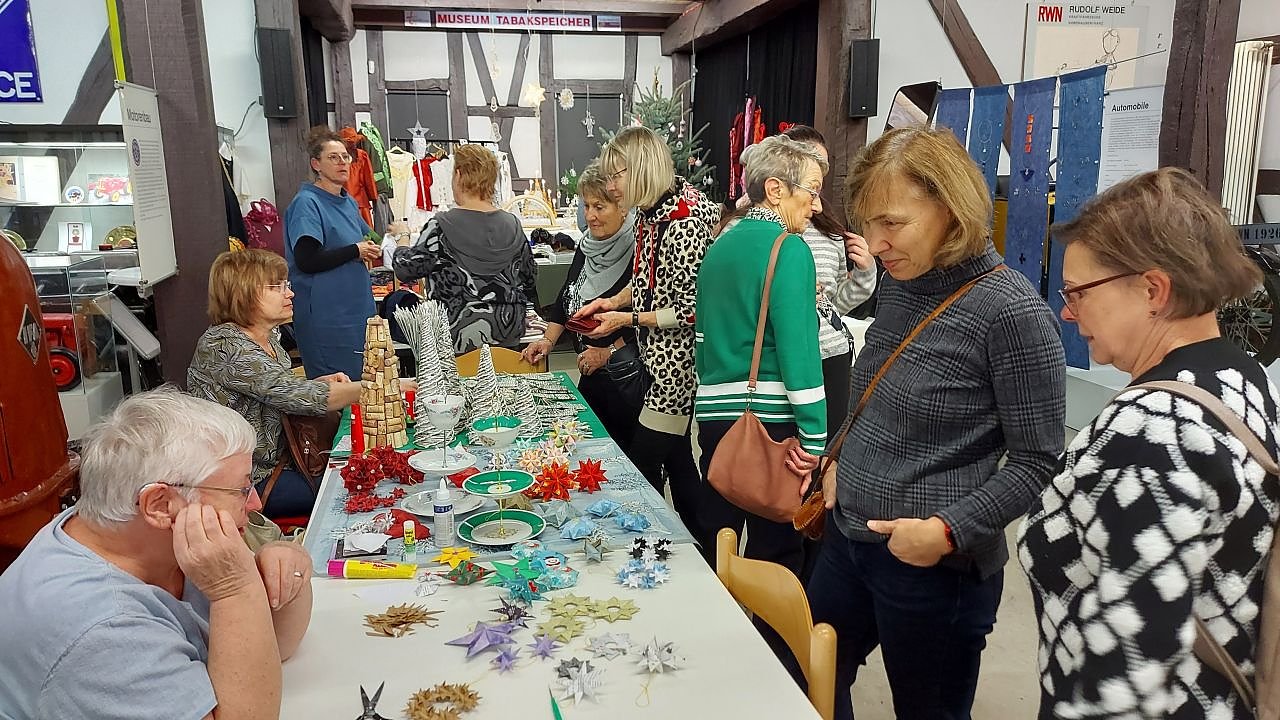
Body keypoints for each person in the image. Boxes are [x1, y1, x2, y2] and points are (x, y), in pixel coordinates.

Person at [806, 126, 1066, 720]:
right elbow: (878, 390)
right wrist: (839, 458)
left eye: (892, 224)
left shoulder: (1011, 313)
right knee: (807, 674)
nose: (875, 243)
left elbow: (1037, 461)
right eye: (868, 224)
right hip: (849, 540)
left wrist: (947, 531)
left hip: (932, 567)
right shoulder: (903, 283)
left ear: (951, 210)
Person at [1017, 168, 1280, 719]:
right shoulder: (1242, 376)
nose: (1067, 310)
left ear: (1153, 290)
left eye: (1078, 292)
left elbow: (1127, 676)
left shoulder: (1154, 430)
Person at [0, 388, 314, 719]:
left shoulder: (145, 538)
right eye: (240, 489)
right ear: (160, 505)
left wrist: (285, 569)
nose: (255, 503)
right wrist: (237, 590)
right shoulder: (104, 630)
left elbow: (276, 645)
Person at [574, 126, 721, 542]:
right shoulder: (651, 212)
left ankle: (658, 545)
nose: (610, 186)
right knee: (678, 464)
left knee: (642, 466)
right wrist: (612, 302)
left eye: (616, 175)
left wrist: (628, 320)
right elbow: (646, 281)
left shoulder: (684, 221)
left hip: (676, 372)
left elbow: (693, 310)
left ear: (640, 168)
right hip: (653, 363)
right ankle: (702, 553)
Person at [694, 134, 827, 572]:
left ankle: (717, 615)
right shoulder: (789, 249)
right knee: (777, 554)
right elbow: (799, 352)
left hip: (715, 419)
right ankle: (765, 622)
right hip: (770, 423)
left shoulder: (719, 247)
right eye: (811, 191)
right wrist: (814, 439)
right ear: (775, 189)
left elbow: (701, 341)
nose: (816, 205)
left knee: (719, 540)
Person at [189, 249, 363, 518]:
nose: (290, 293)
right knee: (353, 487)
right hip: (247, 480)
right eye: (276, 287)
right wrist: (378, 388)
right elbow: (296, 395)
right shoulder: (225, 346)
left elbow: (278, 389)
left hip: (285, 461)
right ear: (243, 292)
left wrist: (317, 383)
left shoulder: (267, 338)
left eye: (286, 285)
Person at [522, 163, 640, 449]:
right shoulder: (588, 246)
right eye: (586, 206)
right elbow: (568, 295)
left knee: (629, 460)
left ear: (623, 207)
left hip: (627, 382)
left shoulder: (640, 252)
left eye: (599, 207)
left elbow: (651, 320)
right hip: (591, 375)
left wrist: (609, 353)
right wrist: (548, 340)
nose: (590, 216)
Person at [393, 143, 537, 354]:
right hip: (507, 332)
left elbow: (405, 269)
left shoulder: (441, 226)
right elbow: (530, 278)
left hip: (454, 335)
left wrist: (402, 237)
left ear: (458, 175)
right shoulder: (513, 225)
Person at [284, 126, 382, 381]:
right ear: (316, 164)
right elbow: (307, 260)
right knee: (338, 385)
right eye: (333, 157)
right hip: (327, 315)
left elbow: (369, 237)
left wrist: (383, 240)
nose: (342, 162)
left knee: (365, 383)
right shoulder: (307, 203)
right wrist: (355, 250)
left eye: (345, 156)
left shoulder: (347, 201)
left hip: (356, 309)